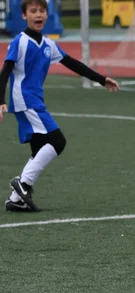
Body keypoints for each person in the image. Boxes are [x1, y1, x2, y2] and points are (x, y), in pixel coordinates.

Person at [0, 0, 120, 212]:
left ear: (47, 14)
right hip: (25, 101)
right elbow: (5, 72)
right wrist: (0, 100)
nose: (39, 15)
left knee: (39, 148)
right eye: (33, 11)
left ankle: (15, 200)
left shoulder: (48, 44)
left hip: (35, 100)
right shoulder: (20, 42)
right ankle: (23, 183)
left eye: (42, 11)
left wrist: (102, 79)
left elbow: (72, 63)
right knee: (57, 141)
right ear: (24, 15)